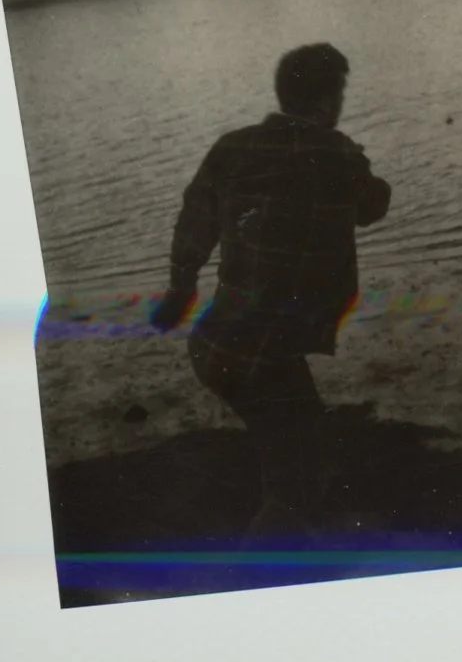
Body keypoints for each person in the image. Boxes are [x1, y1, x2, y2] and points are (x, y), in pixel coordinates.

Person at [149, 40, 389, 538]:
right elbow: (374, 206)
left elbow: (194, 224)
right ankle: (259, 574)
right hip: (263, 351)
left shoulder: (233, 147)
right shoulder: (337, 153)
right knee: (293, 475)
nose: (341, 103)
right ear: (327, 100)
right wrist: (354, 159)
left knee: (295, 445)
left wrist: (180, 289)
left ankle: (292, 546)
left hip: (219, 341)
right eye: (339, 93)